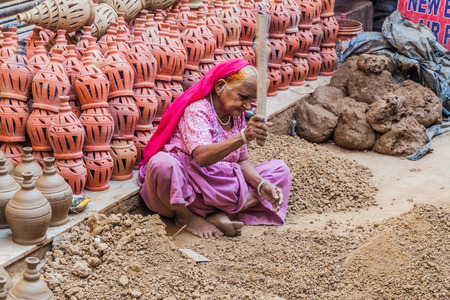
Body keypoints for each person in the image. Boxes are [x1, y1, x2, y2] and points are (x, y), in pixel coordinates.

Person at [138, 59, 292, 238]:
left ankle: (217, 216)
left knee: (280, 171)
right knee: (162, 164)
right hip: (189, 191)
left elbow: (241, 160)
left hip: (222, 186)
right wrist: (243, 137)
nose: (248, 106)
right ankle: (186, 218)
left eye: (251, 100)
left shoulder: (236, 114)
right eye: (243, 97)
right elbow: (202, 157)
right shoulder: (198, 110)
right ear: (220, 86)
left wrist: (261, 185)